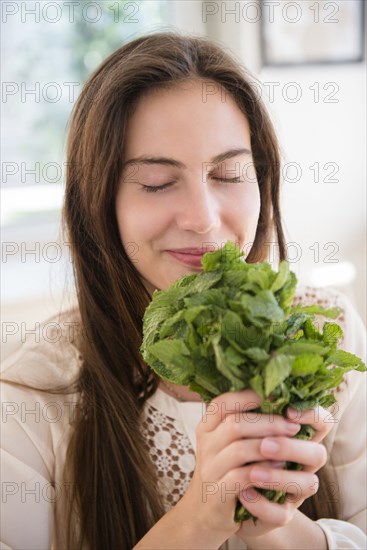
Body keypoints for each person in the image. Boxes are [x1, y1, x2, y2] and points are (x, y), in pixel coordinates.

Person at [1, 32, 366, 550]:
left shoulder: (324, 336)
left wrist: (277, 526)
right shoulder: (30, 394)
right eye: (156, 182)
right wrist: (200, 519)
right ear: (98, 203)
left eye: (230, 173)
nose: (203, 219)